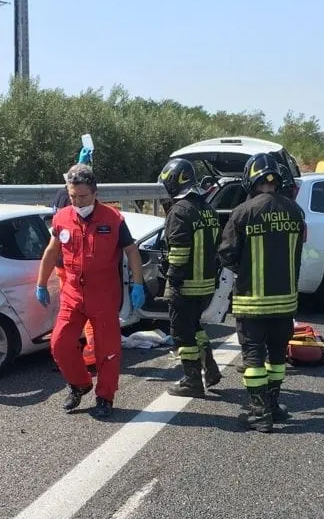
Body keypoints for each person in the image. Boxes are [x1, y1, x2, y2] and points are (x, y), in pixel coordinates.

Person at [36, 163, 146, 416]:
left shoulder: (113, 219)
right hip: (73, 292)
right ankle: (80, 384)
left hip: (104, 294)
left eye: (83, 196)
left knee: (107, 350)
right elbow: (52, 251)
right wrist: (41, 283)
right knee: (60, 343)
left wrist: (138, 283)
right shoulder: (62, 217)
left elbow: (131, 251)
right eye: (73, 196)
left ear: (95, 193)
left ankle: (105, 397)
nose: (78, 201)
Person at [218, 153, 305, 432]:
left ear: (250, 178)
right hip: (286, 299)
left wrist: (244, 268)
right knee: (277, 355)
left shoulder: (243, 212)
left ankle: (259, 412)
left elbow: (227, 253)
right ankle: (275, 406)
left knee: (253, 357)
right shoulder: (295, 211)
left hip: (252, 301)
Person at [158, 157, 222, 397]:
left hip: (185, 284)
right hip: (206, 284)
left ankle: (191, 380)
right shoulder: (208, 209)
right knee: (196, 326)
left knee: (181, 333)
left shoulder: (180, 211)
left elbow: (179, 250)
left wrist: (172, 279)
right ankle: (210, 367)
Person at [53, 143, 97, 364]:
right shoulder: (69, 201)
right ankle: (90, 354)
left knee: (71, 310)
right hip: (72, 266)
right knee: (83, 312)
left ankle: (76, 352)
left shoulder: (60, 196)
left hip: (64, 265)